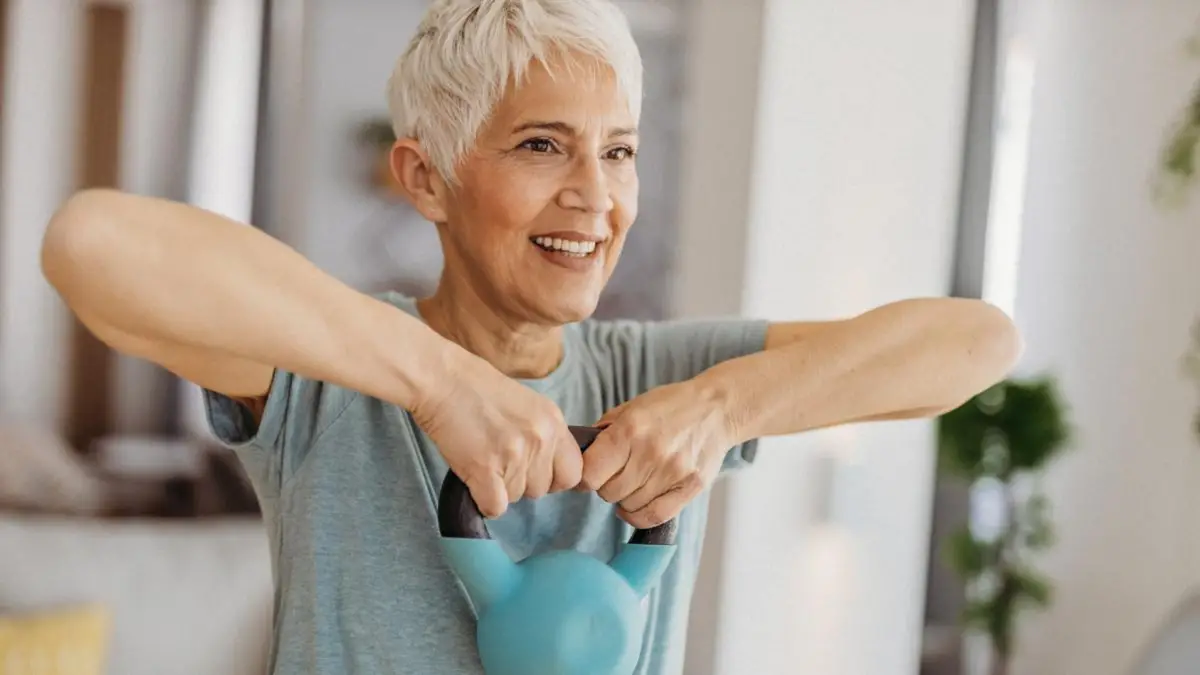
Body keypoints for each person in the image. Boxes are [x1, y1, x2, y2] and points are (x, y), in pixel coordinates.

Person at [39, 0, 1022, 672]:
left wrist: (724, 407)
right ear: (426, 178)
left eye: (619, 151)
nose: (595, 196)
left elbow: (977, 343)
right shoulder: (329, 380)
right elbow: (92, 243)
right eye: (543, 145)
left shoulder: (666, 376)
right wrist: (439, 384)